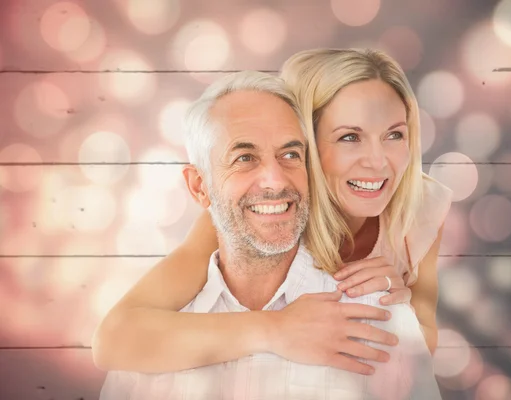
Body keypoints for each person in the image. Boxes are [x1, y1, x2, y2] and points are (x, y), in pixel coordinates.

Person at [94, 48, 452, 398]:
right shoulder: (251, 216)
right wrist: (274, 330)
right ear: (309, 142)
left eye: (394, 134)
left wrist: (397, 304)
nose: (377, 161)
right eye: (349, 137)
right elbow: (115, 337)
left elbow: (423, 345)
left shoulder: (419, 209)